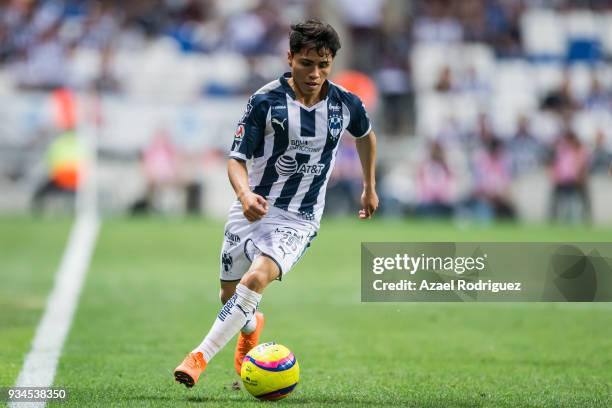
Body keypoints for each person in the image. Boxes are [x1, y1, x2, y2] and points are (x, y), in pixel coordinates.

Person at [173, 20, 379, 390]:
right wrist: (244, 195)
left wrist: (369, 185)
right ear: (290, 58)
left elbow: (365, 136)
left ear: (331, 63)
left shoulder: (345, 104)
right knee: (229, 295)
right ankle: (251, 327)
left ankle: (198, 356)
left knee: (255, 280)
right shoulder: (265, 101)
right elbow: (235, 158)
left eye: (323, 64)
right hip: (253, 207)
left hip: (299, 217)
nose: (315, 73)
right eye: (306, 63)